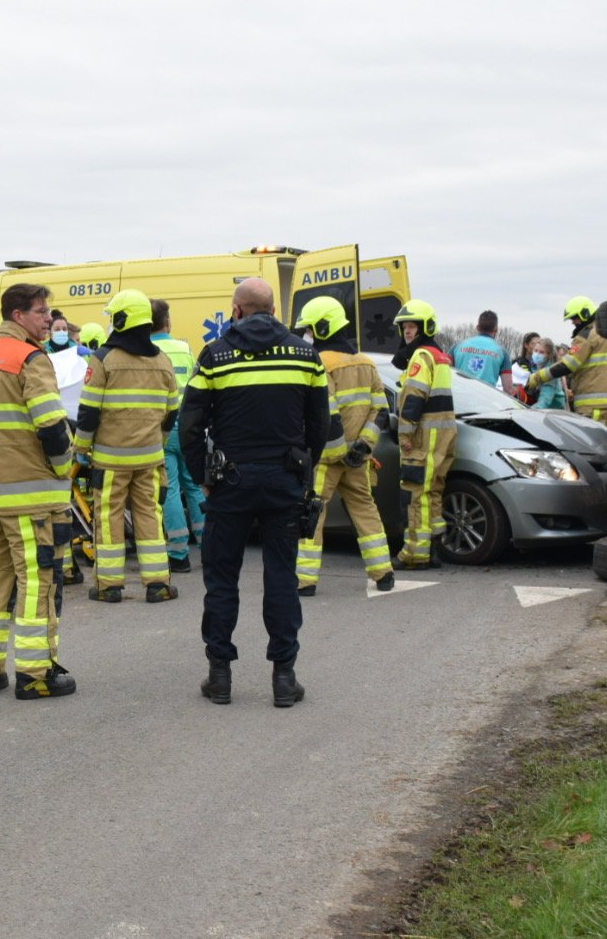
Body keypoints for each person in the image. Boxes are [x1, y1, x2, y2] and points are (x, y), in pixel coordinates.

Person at [182, 278, 329, 708]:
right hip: (285, 479)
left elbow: (189, 424)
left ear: (238, 309)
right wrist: (305, 469)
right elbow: (320, 423)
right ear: (273, 309)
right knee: (282, 577)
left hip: (231, 482)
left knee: (222, 578)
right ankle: (284, 678)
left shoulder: (215, 354)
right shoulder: (306, 354)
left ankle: (220, 675)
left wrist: (200, 475)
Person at [0, 284, 76, 699]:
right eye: (41, 312)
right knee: (38, 583)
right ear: (17, 315)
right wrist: (66, 471)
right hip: (32, 499)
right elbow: (51, 427)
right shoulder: (31, 359)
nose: (48, 319)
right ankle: (36, 673)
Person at [74, 288, 181, 603]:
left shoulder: (104, 358)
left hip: (110, 460)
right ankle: (158, 584)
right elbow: (171, 412)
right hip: (149, 458)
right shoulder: (162, 361)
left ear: (121, 320)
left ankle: (109, 586)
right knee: (150, 514)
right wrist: (157, 444)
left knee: (109, 516)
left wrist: (82, 446)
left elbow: (89, 410)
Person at [292, 298, 396, 596]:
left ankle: (305, 581)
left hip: (327, 458)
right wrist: (363, 447)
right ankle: (384, 573)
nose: (307, 335)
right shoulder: (366, 362)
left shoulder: (321, 363)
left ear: (323, 327)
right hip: (357, 459)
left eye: (310, 329)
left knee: (312, 512)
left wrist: (337, 453)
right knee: (365, 509)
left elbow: (329, 413)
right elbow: (381, 411)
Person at [392, 299, 456, 570]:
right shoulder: (440, 355)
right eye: (405, 327)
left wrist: (405, 434)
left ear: (425, 327)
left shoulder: (421, 356)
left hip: (424, 435)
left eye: (412, 326)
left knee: (416, 494)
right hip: (444, 432)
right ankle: (433, 551)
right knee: (433, 493)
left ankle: (414, 554)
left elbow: (414, 398)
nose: (407, 331)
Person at [150, 298, 201, 574]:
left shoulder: (147, 350)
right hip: (189, 426)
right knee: (194, 486)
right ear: (168, 322)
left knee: (170, 490)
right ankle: (208, 546)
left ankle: (179, 553)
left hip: (162, 427)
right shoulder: (184, 348)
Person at [528, 296, 607, 428]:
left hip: (592, 404)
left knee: (589, 444)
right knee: (603, 444)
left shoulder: (586, 336)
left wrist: (537, 377)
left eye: (575, 318)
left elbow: (567, 365)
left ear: (585, 314)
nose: (573, 322)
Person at [450, 310, 514, 395]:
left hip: (459, 399)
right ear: (496, 329)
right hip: (485, 400)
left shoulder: (457, 346)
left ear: (477, 327)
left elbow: (443, 371)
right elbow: (508, 389)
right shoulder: (502, 352)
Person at [528, 336, 566, 410]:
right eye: (535, 351)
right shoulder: (535, 367)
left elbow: (545, 400)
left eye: (541, 352)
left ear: (549, 355)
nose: (537, 354)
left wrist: (529, 411)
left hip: (555, 411)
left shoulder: (550, 374)